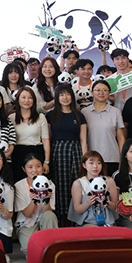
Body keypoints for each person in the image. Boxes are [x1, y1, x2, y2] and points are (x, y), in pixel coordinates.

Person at [47, 83, 87, 226]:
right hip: (58, 152)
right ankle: (61, 220)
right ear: (57, 97)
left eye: (68, 94)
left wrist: (85, 159)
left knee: (77, 183)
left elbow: (83, 140)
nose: (65, 97)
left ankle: (76, 218)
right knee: (59, 185)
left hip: (76, 151)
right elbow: (48, 138)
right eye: (61, 94)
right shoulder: (50, 115)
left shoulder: (79, 115)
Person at [13, 154, 57, 254]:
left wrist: (47, 199)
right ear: (24, 169)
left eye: (38, 166)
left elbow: (47, 211)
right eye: (30, 167)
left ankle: (52, 249)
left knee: (50, 215)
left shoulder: (50, 185)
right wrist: (34, 199)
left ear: (42, 167)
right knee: (29, 249)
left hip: (44, 220)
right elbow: (27, 214)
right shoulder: (19, 186)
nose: (35, 170)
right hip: (26, 222)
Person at [82, 80, 126, 176]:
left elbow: (121, 138)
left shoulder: (116, 112)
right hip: (91, 160)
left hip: (112, 158)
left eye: (105, 90)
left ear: (109, 92)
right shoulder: (85, 112)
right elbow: (83, 138)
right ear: (92, 92)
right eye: (97, 90)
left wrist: (122, 158)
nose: (101, 93)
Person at [8, 86, 50, 182]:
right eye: (23, 97)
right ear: (18, 100)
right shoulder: (11, 118)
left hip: (36, 152)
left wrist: (46, 161)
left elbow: (45, 140)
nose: (26, 100)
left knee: (38, 183)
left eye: (30, 97)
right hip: (17, 154)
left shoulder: (40, 117)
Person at [69, 151, 119, 227]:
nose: (95, 166)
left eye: (99, 163)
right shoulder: (78, 183)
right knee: (97, 231)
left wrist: (106, 203)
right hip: (87, 223)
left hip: (108, 222)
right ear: (84, 165)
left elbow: (115, 206)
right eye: (91, 163)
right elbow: (77, 210)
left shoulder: (109, 181)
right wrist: (87, 203)